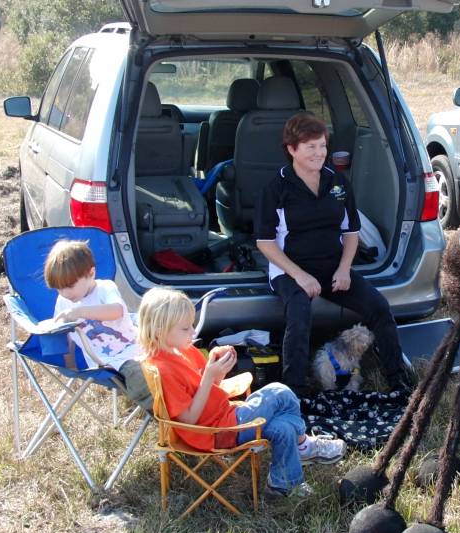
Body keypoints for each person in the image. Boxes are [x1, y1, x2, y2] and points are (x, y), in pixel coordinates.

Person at [137, 287, 346, 498]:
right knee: (280, 392)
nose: (192, 332)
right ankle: (303, 445)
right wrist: (209, 376)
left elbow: (206, 389)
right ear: (159, 330)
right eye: (185, 328)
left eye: (191, 325)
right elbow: (189, 419)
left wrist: (217, 370)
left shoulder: (184, 350)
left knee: (283, 427)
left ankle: (282, 485)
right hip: (214, 433)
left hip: (224, 416)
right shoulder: (163, 369)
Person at [254, 112, 409, 397]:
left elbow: (351, 232)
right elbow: (265, 243)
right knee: (299, 313)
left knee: (379, 307)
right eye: (310, 146)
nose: (319, 153)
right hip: (290, 270)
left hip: (333, 267)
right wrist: (300, 276)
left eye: (322, 145)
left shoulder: (337, 182)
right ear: (292, 149)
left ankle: (399, 382)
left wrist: (344, 269)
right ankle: (294, 392)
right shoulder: (276, 188)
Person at [44, 240, 151, 409]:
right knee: (139, 374)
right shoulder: (63, 302)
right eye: (59, 288)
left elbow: (117, 311)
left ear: (91, 273)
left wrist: (80, 312)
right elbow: (65, 334)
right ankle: (165, 413)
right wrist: (71, 364)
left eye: (70, 286)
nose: (65, 293)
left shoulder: (105, 288)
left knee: (175, 353)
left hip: (137, 345)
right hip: (109, 361)